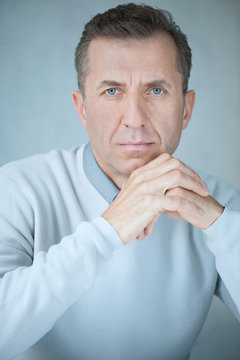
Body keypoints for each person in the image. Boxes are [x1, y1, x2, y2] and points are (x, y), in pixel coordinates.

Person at [0, 3, 240, 360]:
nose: (134, 119)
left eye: (156, 90)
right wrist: (110, 229)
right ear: (82, 108)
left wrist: (220, 226)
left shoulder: (218, 204)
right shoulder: (17, 188)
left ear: (186, 109)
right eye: (112, 91)